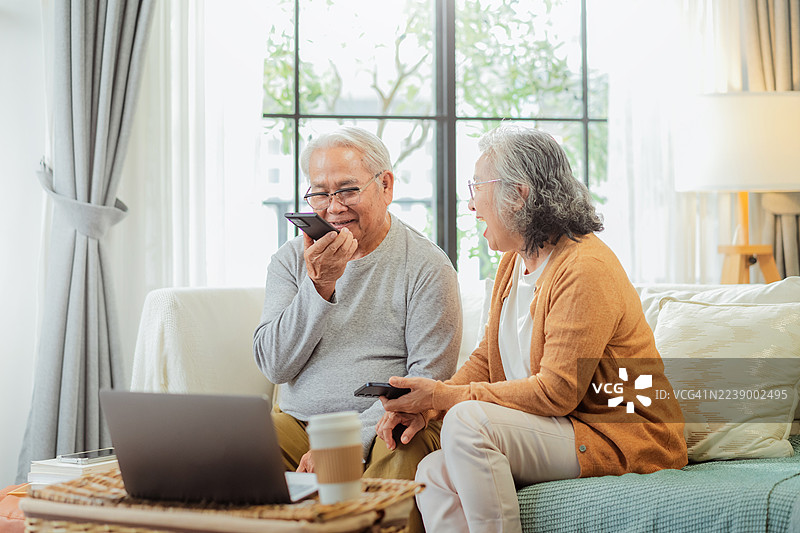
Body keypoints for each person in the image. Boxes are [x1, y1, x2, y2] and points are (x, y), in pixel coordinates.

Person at [379, 124, 687, 532]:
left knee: (468, 421)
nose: (471, 206)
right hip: (561, 428)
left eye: (477, 188)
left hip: (618, 435)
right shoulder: (512, 262)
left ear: (519, 194)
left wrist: (444, 397)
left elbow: (557, 392)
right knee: (432, 472)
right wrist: (429, 406)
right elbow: (488, 358)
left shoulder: (583, 268)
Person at [253, 126, 461, 531]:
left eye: (347, 190)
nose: (332, 208)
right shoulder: (290, 260)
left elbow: (427, 380)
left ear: (385, 185)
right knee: (241, 445)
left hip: (385, 426)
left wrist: (340, 445)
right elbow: (274, 366)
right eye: (319, 193)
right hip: (300, 425)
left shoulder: (427, 267)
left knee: (404, 449)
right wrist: (319, 287)